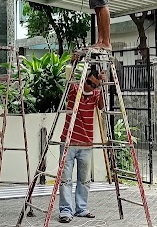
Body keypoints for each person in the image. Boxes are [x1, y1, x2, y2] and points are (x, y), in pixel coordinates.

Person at [57, 51, 106, 223]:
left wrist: (102, 85)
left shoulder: (95, 95)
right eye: (90, 83)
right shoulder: (74, 91)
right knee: (65, 180)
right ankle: (65, 211)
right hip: (69, 142)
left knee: (84, 180)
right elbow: (69, 76)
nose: (91, 88)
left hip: (86, 144)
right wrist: (74, 61)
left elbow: (101, 107)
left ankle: (81, 208)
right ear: (85, 79)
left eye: (94, 85)